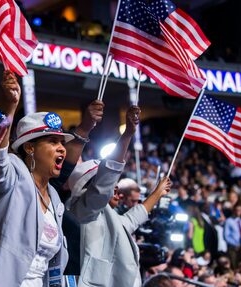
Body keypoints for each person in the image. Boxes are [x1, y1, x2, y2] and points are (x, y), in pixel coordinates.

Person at [0, 71, 72, 286]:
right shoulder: (14, 173)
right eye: (53, 141)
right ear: (30, 147)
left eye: (62, 143)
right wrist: (10, 106)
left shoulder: (55, 197)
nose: (61, 148)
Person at [66, 105, 172, 287]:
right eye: (110, 187)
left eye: (115, 186)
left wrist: (157, 193)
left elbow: (134, 217)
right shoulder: (84, 210)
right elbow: (105, 182)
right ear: (87, 188)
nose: (115, 190)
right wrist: (127, 135)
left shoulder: (108, 216)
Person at [224, 204, 241, 269]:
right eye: (236, 210)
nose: (238, 212)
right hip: (232, 248)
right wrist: (235, 244)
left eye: (240, 210)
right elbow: (226, 236)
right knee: (234, 266)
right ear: (233, 211)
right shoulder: (228, 221)